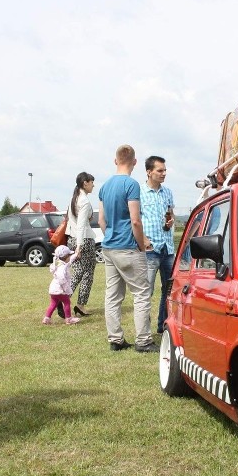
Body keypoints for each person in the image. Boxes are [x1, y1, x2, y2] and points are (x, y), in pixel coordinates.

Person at [98, 145, 157, 353]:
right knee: (141, 294)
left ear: (115, 161)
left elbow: (101, 220)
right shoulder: (131, 185)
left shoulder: (104, 187)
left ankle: (115, 339)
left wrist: (111, 236)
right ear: (135, 162)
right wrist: (142, 245)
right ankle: (143, 341)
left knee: (112, 296)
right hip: (129, 248)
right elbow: (136, 221)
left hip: (109, 248)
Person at [140, 156, 175, 334]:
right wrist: (144, 240)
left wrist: (170, 221)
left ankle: (163, 326)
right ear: (149, 172)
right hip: (149, 250)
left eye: (164, 170)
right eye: (160, 170)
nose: (164, 173)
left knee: (168, 290)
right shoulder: (138, 192)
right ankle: (144, 331)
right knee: (146, 291)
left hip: (168, 248)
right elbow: (134, 220)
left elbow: (171, 213)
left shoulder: (168, 192)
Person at [66, 172, 97, 317]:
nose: (93, 185)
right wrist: (79, 246)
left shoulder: (74, 198)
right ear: (85, 183)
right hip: (84, 240)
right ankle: (69, 300)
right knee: (85, 274)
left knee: (81, 273)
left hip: (73, 238)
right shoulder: (84, 201)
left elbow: (72, 224)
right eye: (92, 182)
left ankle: (79, 305)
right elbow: (81, 225)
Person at [43, 245, 82, 325]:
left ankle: (47, 318)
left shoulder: (60, 263)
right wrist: (66, 289)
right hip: (60, 289)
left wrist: (76, 253)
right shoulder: (62, 267)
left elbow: (71, 260)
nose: (70, 257)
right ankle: (69, 318)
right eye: (69, 255)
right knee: (67, 302)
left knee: (53, 303)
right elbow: (62, 280)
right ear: (65, 256)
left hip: (53, 289)